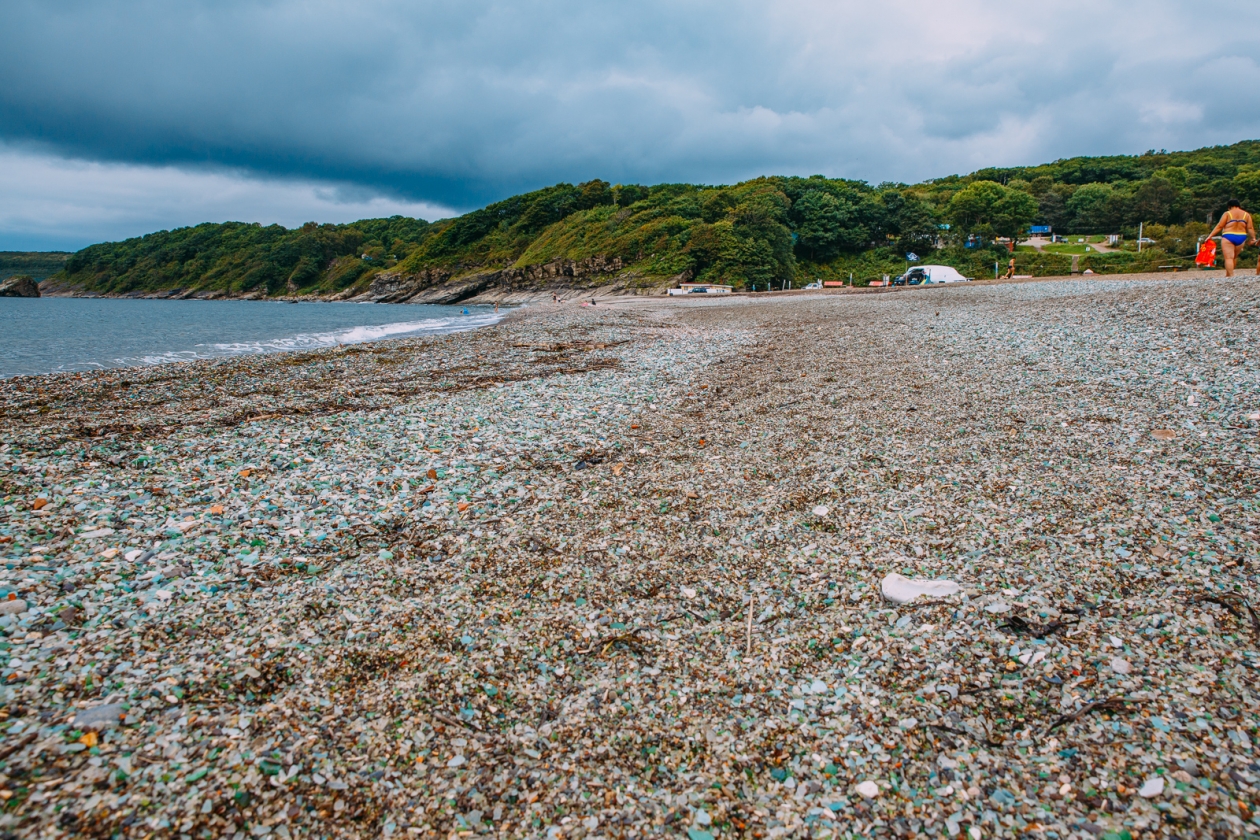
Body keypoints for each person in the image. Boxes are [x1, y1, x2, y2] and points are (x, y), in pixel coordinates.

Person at [1205, 199, 1256, 278]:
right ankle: (1228, 275)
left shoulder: (1227, 213)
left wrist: (1210, 236)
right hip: (1241, 236)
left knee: (1229, 258)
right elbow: (1250, 228)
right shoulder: (1246, 214)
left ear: (1229, 206)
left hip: (1228, 235)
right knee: (1234, 257)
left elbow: (1219, 226)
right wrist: (1253, 238)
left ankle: (1231, 276)